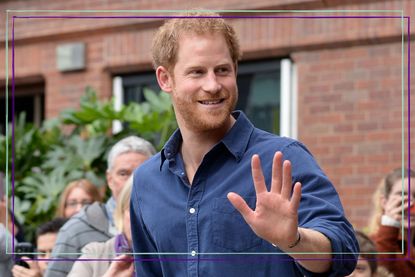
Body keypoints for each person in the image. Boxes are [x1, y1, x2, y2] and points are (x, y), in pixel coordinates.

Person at [130, 11, 358, 276]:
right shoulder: (147, 181)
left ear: (235, 70)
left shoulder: (283, 158)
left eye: (222, 70)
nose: (213, 85)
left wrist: (294, 241)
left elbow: (343, 251)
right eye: (197, 72)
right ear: (165, 79)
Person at [45, 136, 156, 277]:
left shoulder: (173, 232)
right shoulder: (75, 230)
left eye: (141, 173)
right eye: (123, 174)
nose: (133, 181)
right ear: (109, 179)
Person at [68, 176, 134, 277]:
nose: (140, 219)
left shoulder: (166, 257)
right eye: (132, 210)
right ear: (121, 212)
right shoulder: (94, 255)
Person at [368, 168, 415, 276]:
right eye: (402, 195)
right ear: (384, 202)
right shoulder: (375, 242)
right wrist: (390, 223)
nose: (411, 203)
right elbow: (380, 269)